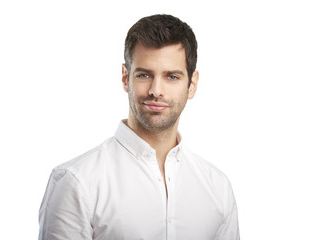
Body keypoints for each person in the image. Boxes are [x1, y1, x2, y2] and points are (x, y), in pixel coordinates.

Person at [39, 14, 240, 240]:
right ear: (126, 78)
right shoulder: (77, 182)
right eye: (144, 75)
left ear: (191, 85)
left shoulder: (218, 188)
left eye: (172, 77)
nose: (156, 90)